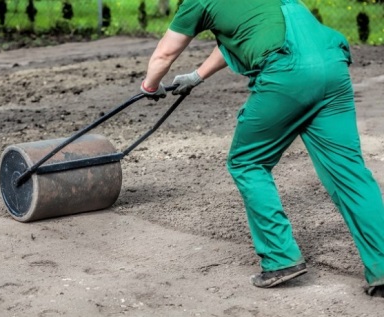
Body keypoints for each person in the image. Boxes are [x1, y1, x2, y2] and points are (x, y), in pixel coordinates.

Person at [140, 0, 384, 296]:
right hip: (332, 65)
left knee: (247, 161)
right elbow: (243, 34)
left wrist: (150, 86)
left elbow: (165, 53)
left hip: (287, 72)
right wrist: (196, 76)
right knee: (349, 172)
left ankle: (281, 258)